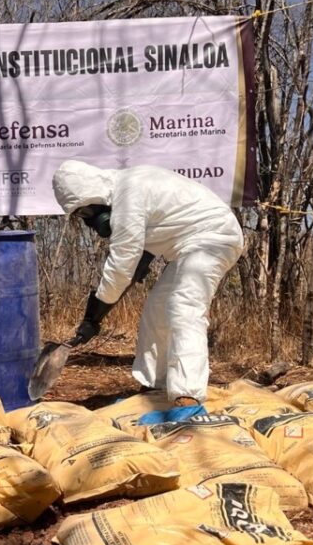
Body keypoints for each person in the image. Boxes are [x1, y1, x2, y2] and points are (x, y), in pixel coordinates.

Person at [51, 160, 244, 423]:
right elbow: (135, 264)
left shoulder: (128, 193)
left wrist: (93, 318)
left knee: (184, 307)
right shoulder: (126, 190)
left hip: (213, 238)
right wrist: (98, 311)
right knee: (156, 310)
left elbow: (121, 267)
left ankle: (188, 400)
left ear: (92, 196)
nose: (89, 223)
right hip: (186, 245)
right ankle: (155, 389)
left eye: (85, 214)